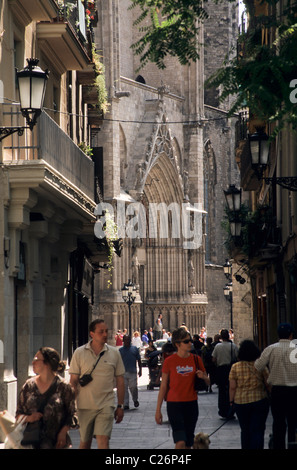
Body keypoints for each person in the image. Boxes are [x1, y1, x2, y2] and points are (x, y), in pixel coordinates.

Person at [69, 319, 125, 449]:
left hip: (106, 404)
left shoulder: (114, 353)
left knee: (103, 440)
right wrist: (71, 406)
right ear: (92, 334)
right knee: (85, 442)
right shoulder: (79, 353)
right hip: (84, 406)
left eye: (106, 331)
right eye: (101, 332)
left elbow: (120, 381)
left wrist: (120, 405)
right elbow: (73, 382)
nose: (105, 334)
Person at [155, 327, 209, 449]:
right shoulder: (169, 361)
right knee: (180, 442)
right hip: (174, 405)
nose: (190, 343)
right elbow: (163, 386)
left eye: (190, 340)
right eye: (186, 341)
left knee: (188, 443)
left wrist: (204, 377)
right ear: (177, 344)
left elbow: (209, 382)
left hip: (191, 404)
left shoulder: (196, 359)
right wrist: (158, 410)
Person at [16, 347, 76, 449]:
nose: (32, 362)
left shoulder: (64, 387)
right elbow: (18, 415)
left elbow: (73, 414)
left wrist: (63, 432)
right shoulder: (28, 386)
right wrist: (29, 418)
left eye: (36, 359)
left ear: (47, 363)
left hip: (57, 443)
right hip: (32, 442)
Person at [254, 323, 297, 449]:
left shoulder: (270, 349)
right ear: (291, 335)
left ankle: (279, 446)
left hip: (277, 390)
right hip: (294, 390)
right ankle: (292, 444)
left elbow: (258, 366)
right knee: (293, 421)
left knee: (278, 421)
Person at [229, 340, 270, 449]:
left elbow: (232, 387)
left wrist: (231, 401)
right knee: (258, 429)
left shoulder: (235, 367)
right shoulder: (260, 365)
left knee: (245, 429)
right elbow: (268, 383)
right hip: (259, 400)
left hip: (241, 402)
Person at [212, 328, 238, 419]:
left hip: (221, 370)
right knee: (232, 389)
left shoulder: (218, 346)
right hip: (231, 369)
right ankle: (231, 410)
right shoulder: (233, 346)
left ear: (221, 337)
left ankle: (222, 410)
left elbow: (214, 359)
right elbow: (237, 357)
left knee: (222, 391)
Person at [119, 335, 142, 410]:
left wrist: (140, 370)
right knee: (124, 389)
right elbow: (118, 362)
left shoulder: (134, 349)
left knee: (133, 387)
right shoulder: (120, 350)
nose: (127, 341)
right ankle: (126, 404)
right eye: (126, 340)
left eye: (128, 340)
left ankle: (135, 399)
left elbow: (138, 359)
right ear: (123, 341)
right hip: (123, 372)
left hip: (133, 372)